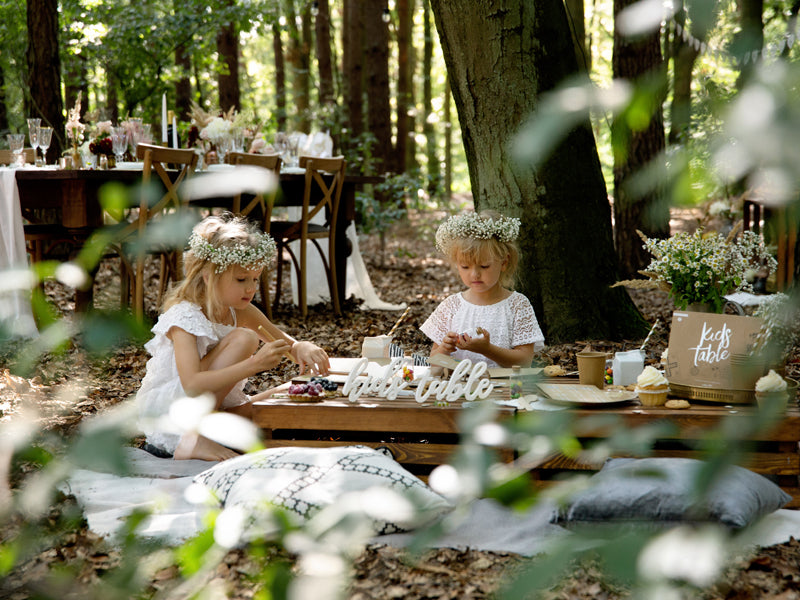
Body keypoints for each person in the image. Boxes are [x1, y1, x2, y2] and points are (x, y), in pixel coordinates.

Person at [136, 213, 330, 461]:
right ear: (209, 276)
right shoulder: (184, 316)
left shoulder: (241, 311)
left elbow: (286, 346)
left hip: (214, 409)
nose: (251, 288)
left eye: (255, 279)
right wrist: (254, 364)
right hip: (176, 414)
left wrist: (302, 347)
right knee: (245, 339)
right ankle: (195, 440)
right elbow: (192, 385)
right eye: (241, 279)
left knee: (286, 396)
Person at [420, 210, 544, 368]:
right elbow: (434, 365)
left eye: (484, 266)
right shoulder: (451, 306)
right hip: (459, 389)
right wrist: (444, 349)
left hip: (506, 390)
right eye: (465, 266)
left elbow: (525, 361)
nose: (474, 274)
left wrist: (487, 350)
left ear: (504, 262)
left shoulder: (517, 305)